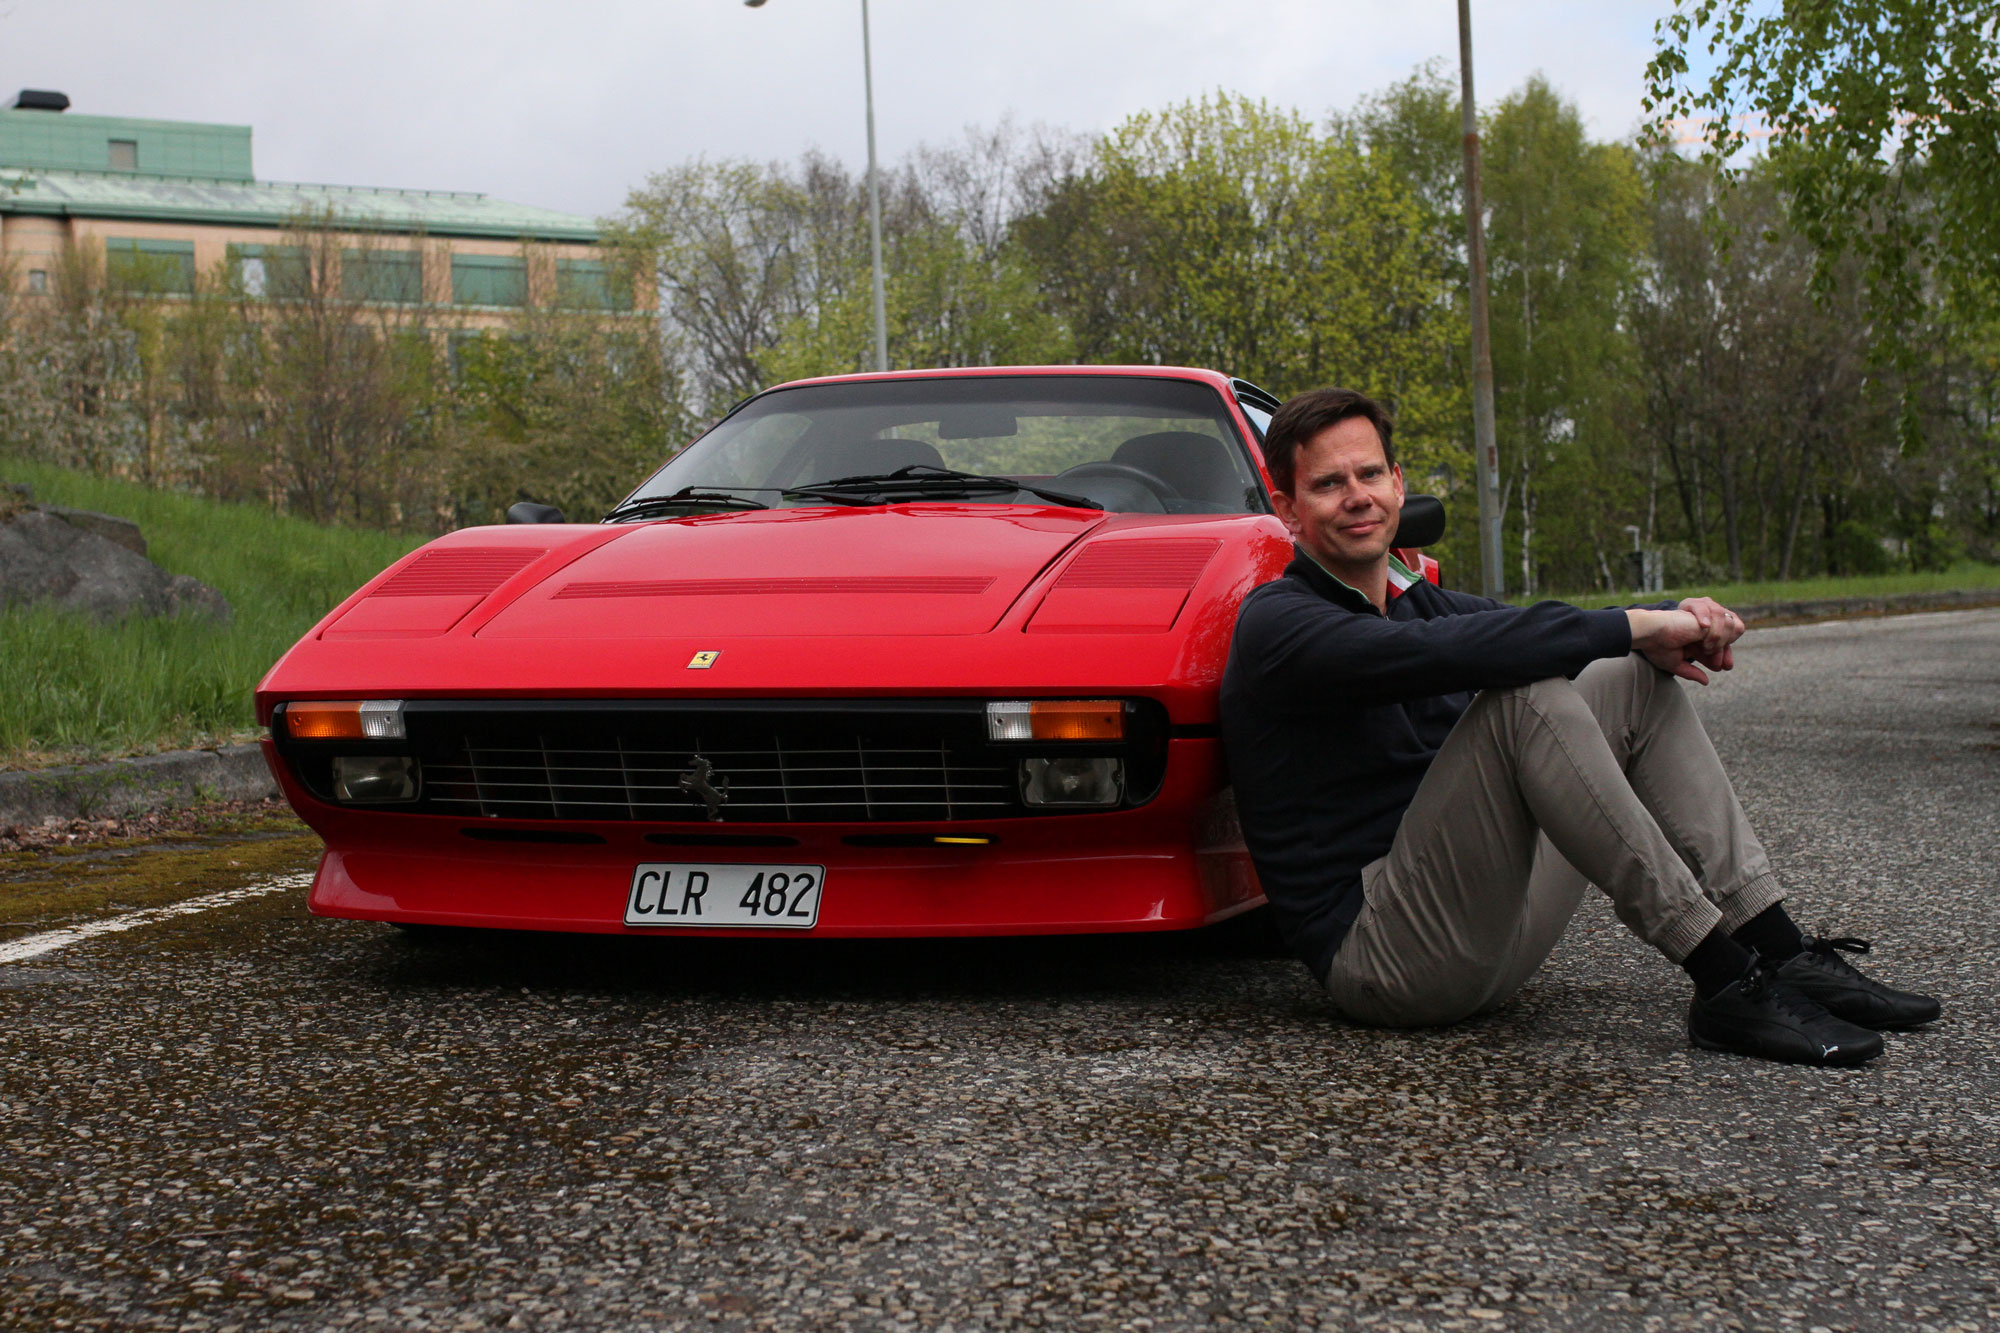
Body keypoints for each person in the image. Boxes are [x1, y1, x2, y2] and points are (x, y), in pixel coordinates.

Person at [1219, 388, 1940, 1065]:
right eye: (1328, 484)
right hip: (1388, 960)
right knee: (1525, 694)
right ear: (1286, 508)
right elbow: (1470, 652)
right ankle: (1723, 976)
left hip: (1487, 932)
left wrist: (1666, 621)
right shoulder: (1280, 623)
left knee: (1623, 672)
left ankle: (1778, 948)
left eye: (1369, 473)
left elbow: (1541, 628)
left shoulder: (1417, 603)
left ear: (1398, 484)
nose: (1357, 497)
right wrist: (1645, 623)